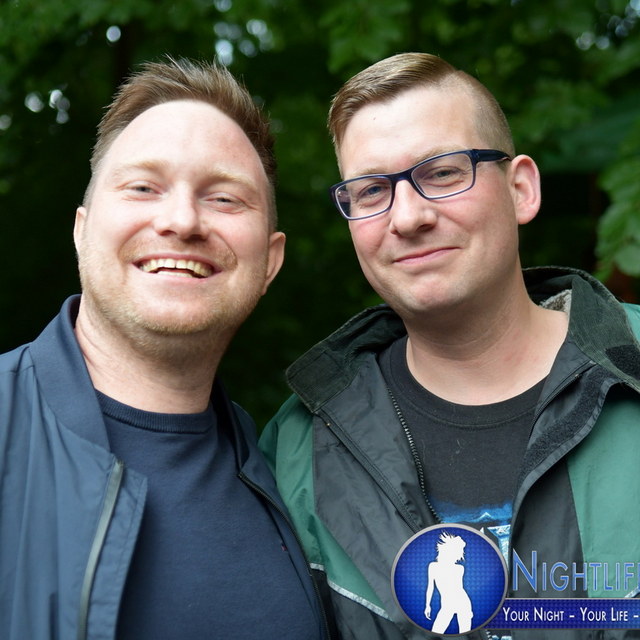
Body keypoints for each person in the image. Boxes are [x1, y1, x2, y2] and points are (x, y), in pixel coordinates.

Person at [260, 52, 640, 640]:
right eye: (371, 190)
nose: (408, 217)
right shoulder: (299, 447)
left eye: (441, 173)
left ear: (521, 189)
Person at [0, 57, 328, 640]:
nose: (182, 220)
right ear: (81, 230)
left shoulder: (295, 480)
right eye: (143, 187)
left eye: (224, 199)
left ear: (270, 261)